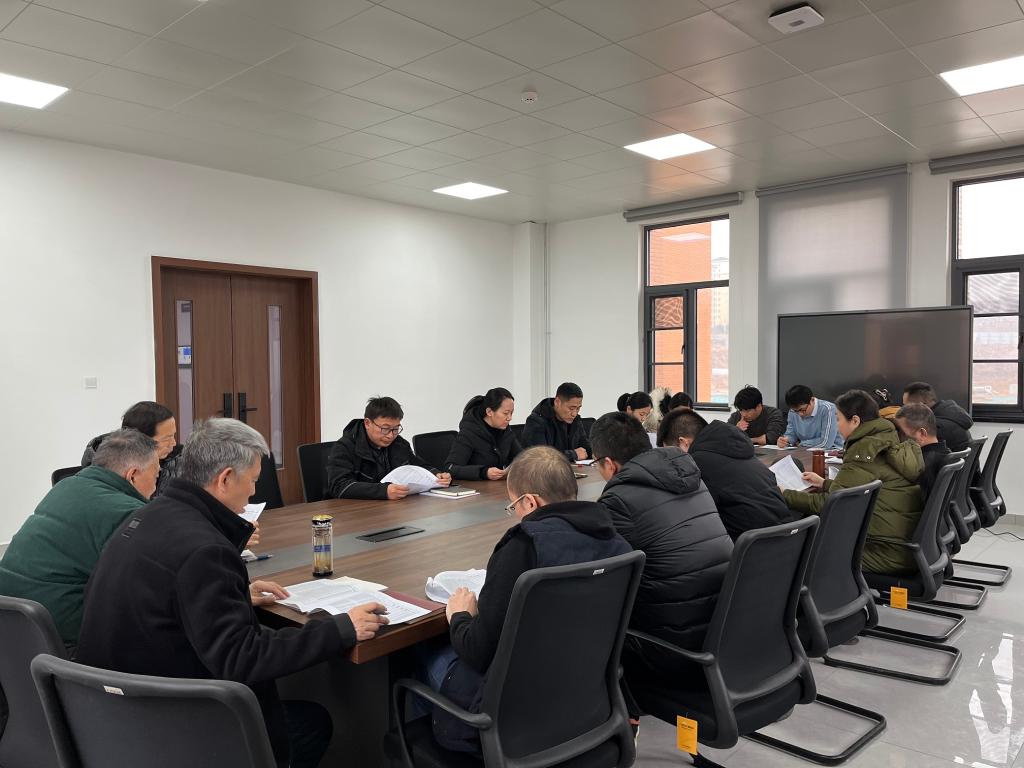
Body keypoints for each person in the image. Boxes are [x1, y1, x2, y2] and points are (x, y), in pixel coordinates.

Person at [76, 418, 389, 768]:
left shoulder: (150, 516)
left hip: (109, 719)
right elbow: (242, 659)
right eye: (253, 480)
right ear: (225, 479)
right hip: (171, 728)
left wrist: (236, 592)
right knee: (311, 725)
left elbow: (170, 595)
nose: (254, 492)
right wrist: (341, 628)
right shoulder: (205, 550)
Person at [425, 446, 631, 752]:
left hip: (511, 718)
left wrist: (460, 615)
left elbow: (478, 651)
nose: (517, 515)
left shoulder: (523, 548)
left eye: (514, 506)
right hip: (586, 704)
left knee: (421, 654)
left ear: (530, 502)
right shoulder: (616, 543)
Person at [591, 412, 732, 698]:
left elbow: (605, 583)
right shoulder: (693, 477)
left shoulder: (618, 500)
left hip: (673, 649)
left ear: (608, 463)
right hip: (725, 630)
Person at [0, 429, 159, 654]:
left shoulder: (65, 486)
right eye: (156, 476)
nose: (156, 486)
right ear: (132, 475)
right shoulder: (129, 513)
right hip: (63, 640)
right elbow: (137, 593)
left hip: (11, 624)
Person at [782, 390, 924, 575]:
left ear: (855, 421)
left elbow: (831, 504)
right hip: (901, 544)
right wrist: (825, 484)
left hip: (883, 551)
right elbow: (857, 489)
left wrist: (784, 494)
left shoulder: (864, 450)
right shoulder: (886, 438)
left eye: (838, 419)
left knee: (798, 549)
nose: (837, 426)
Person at [659, 408, 796, 541]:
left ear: (683, 443)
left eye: (670, 453)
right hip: (788, 541)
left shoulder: (696, 464)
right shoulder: (738, 450)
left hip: (752, 547)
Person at [326, 396, 451, 500]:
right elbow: (339, 486)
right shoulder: (345, 447)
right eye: (385, 429)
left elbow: (418, 466)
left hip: (393, 508)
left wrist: (436, 474)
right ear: (367, 423)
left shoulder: (399, 443)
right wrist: (383, 491)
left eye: (396, 429)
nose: (391, 435)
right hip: (356, 512)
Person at [82, 400, 181, 495]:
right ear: (139, 441)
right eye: (166, 439)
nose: (173, 443)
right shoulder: (100, 468)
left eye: (173, 435)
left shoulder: (180, 459)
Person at [444, 388, 521, 481]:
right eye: (505, 413)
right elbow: (450, 468)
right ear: (489, 412)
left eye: (511, 413)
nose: (509, 418)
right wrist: (483, 472)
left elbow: (521, 457)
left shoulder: (506, 431)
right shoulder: (469, 432)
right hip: (475, 488)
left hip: (497, 486)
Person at [521, 382, 591, 461]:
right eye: (571, 408)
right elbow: (540, 457)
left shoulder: (575, 420)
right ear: (557, 402)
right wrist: (573, 455)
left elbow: (585, 447)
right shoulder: (536, 421)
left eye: (578, 408)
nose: (574, 413)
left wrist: (597, 452)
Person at [895, 403, 951, 499]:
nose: (898, 438)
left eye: (902, 433)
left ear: (922, 433)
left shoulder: (922, 466)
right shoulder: (948, 454)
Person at [903, 381, 973, 452]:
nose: (904, 410)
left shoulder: (934, 428)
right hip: (963, 459)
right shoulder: (955, 416)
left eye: (906, 406)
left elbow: (923, 456)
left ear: (920, 405)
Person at [778, 384, 843, 450]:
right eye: (796, 411)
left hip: (832, 451)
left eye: (802, 410)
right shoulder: (792, 412)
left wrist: (802, 443)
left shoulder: (828, 409)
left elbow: (826, 443)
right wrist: (785, 441)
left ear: (812, 400)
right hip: (805, 450)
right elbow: (791, 435)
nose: (800, 414)